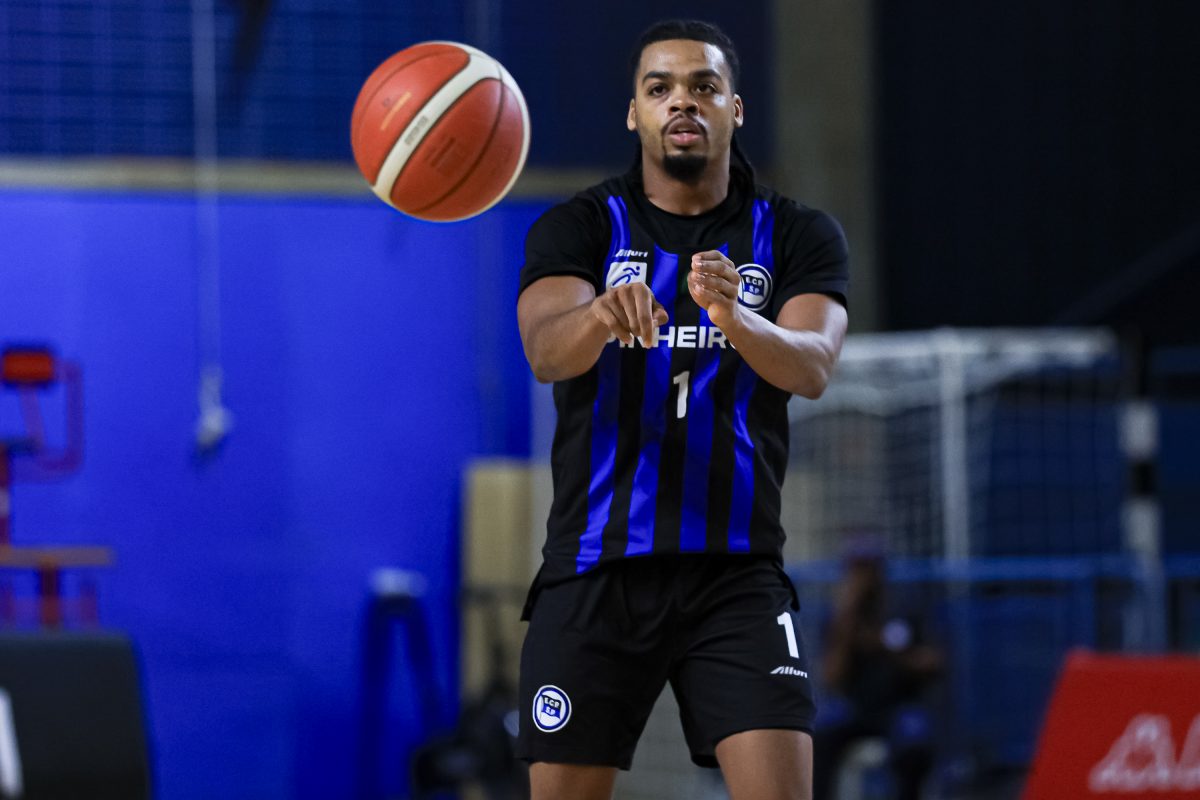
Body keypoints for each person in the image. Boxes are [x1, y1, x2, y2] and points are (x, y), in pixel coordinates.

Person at [515, 19, 850, 800]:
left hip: (735, 576)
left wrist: (736, 318)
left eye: (704, 86)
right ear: (634, 113)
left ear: (736, 108)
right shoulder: (580, 226)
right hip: (596, 569)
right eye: (659, 88)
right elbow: (545, 352)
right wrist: (600, 315)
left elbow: (813, 368)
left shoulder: (798, 234)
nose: (682, 102)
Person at [813, 548, 943, 800]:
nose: (862, 577)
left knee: (915, 740)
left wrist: (887, 649)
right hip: (856, 708)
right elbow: (831, 677)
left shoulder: (904, 608)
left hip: (900, 705)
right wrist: (847, 622)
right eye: (856, 569)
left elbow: (933, 662)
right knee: (819, 734)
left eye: (867, 568)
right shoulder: (841, 618)